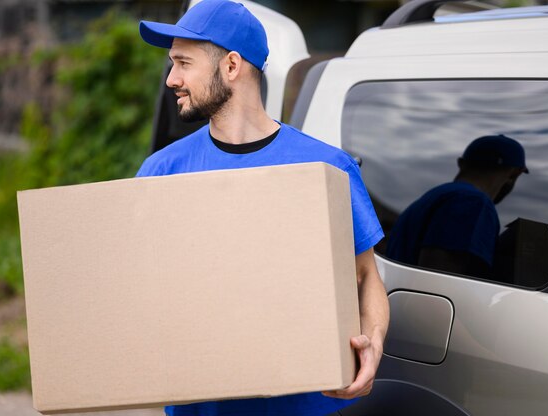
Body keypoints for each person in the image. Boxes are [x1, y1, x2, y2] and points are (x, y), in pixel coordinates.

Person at [135, 1, 390, 415]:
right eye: (171, 63)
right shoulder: (162, 171)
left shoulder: (324, 168)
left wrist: (373, 341)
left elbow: (365, 276)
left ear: (231, 66)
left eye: (183, 63)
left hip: (308, 406)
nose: (172, 79)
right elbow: (140, 290)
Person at [385, 135, 528, 278]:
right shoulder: (472, 202)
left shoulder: (433, 197)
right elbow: (440, 280)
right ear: (514, 174)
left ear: (461, 163)